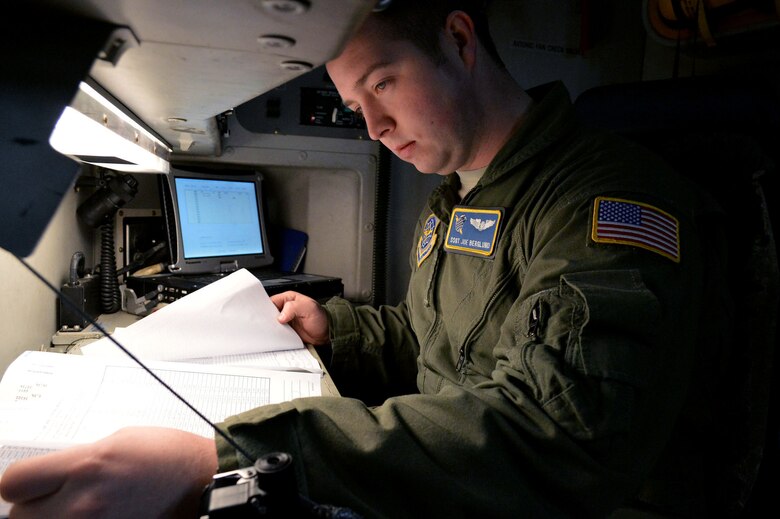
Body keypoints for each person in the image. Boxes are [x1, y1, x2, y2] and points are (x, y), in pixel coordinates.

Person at [0, 1, 730, 517]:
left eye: (383, 82)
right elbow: (428, 340)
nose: (375, 126)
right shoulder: (454, 198)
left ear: (460, 40)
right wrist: (334, 329)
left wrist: (227, 456)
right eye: (358, 104)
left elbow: (548, 443)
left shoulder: (604, 202)